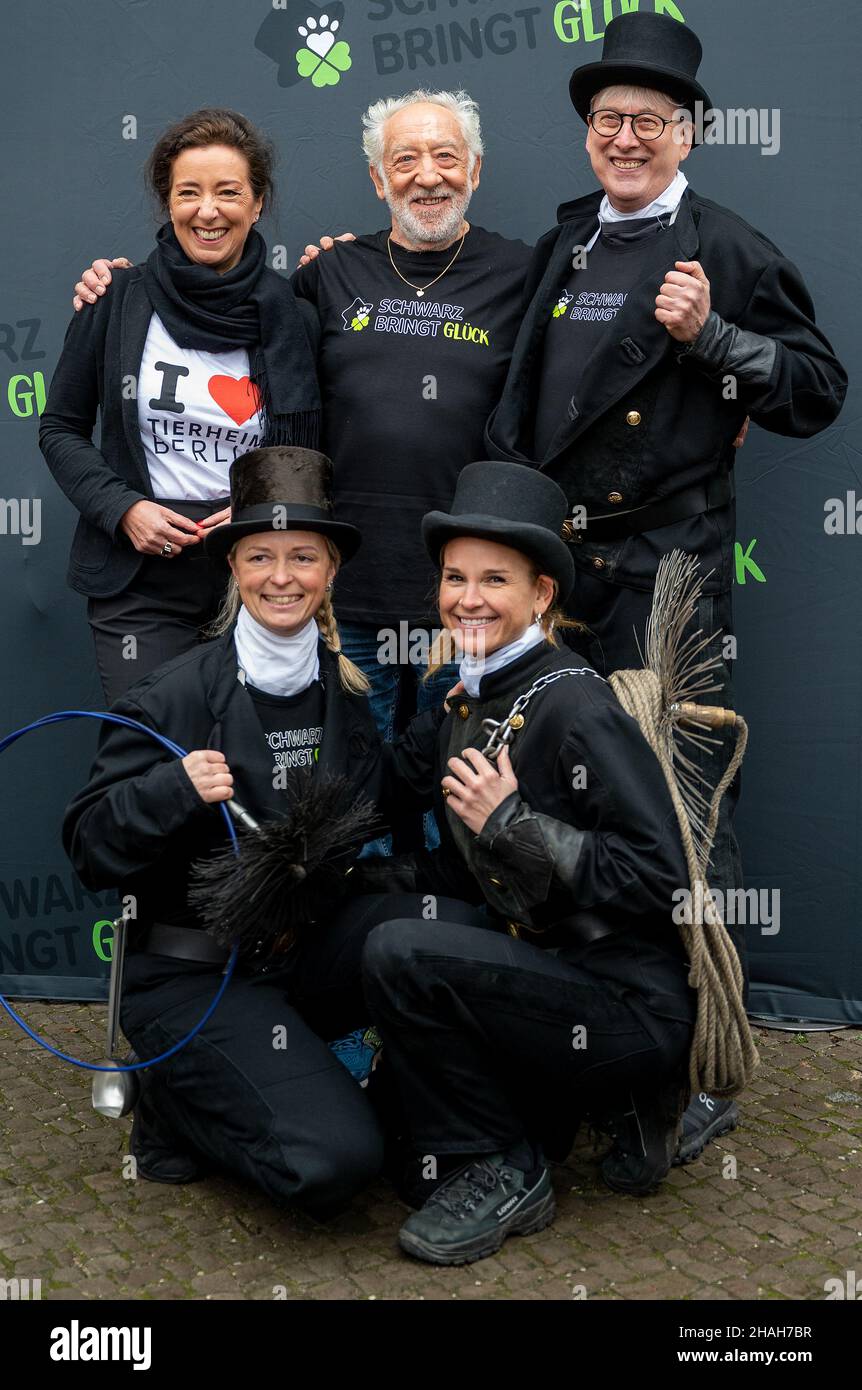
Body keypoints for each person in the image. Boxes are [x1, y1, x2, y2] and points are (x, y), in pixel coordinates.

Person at [484, 11, 847, 1160]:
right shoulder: (565, 246)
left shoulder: (726, 247)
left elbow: (814, 388)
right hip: (563, 572)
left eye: (648, 120)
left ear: (689, 131)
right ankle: (592, 1037)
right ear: (588, 135)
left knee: (683, 810)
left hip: (666, 572)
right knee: (566, 802)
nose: (626, 138)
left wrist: (717, 340)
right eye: (607, 120)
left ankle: (707, 1062)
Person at [69, 90, 533, 845]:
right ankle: (361, 950)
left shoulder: (524, 272)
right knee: (351, 811)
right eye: (404, 160)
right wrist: (106, 287)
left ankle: (449, 952)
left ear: (475, 170)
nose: (427, 176)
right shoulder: (328, 276)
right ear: (379, 181)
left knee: (461, 807)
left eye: (446, 156)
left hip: (464, 600)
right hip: (348, 599)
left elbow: (587, 364)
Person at [62, 446, 482, 1217]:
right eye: (260, 556)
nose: (281, 577)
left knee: (449, 928)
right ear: (234, 569)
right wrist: (171, 789)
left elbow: (380, 799)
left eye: (302, 558)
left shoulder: (342, 694)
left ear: (330, 572)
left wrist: (459, 706)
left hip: (296, 961)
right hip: (192, 977)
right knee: (337, 1163)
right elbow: (90, 847)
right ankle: (172, 1100)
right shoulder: (172, 696)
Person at [359, 461, 702, 1265]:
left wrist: (518, 825)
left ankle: (509, 1167)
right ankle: (601, 1109)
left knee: (400, 952)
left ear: (541, 594)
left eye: (494, 580)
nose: (467, 598)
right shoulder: (470, 695)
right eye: (454, 577)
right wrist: (348, 879)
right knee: (402, 1150)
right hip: (544, 980)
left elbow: (663, 878)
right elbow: (454, 866)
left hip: (628, 1002)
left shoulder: (576, 702)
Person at [41, 108, 320, 705]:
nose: (207, 210)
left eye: (228, 192)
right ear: (167, 202)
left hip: (255, 576)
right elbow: (61, 427)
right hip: (138, 582)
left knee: (244, 759)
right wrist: (123, 509)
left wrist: (259, 506)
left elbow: (311, 452)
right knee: (156, 750)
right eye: (188, 192)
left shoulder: (294, 316)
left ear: (258, 202)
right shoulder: (114, 299)